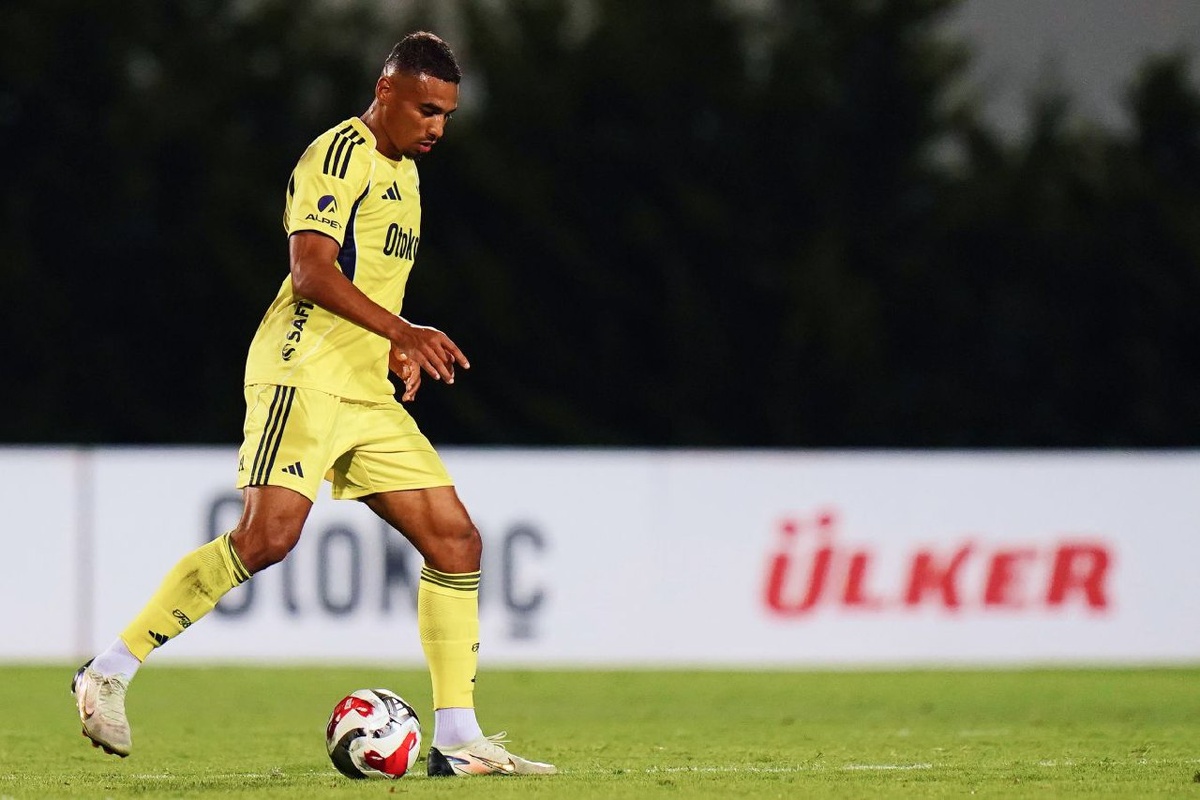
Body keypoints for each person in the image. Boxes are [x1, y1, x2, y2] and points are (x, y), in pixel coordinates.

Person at [71, 31, 556, 778]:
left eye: (446, 115)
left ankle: (459, 738)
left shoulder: (407, 176)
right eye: (426, 109)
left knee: (456, 541)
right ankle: (108, 670)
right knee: (266, 539)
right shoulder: (337, 156)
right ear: (386, 90)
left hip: (363, 390)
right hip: (299, 373)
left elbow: (367, 279)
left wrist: (390, 347)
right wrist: (403, 331)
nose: (436, 127)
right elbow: (310, 272)